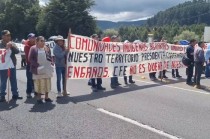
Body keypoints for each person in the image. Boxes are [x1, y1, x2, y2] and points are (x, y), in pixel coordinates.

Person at [29, 36, 53, 104]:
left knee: (47, 83)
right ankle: (39, 98)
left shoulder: (47, 48)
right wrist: (37, 65)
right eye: (41, 41)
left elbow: (50, 57)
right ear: (37, 42)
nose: (43, 42)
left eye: (44, 41)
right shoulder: (33, 48)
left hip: (46, 69)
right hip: (38, 69)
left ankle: (46, 97)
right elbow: (30, 59)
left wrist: (51, 62)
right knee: (38, 84)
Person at [0, 30, 22, 102]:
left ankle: (15, 94)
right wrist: (6, 48)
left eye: (9, 35)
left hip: (12, 64)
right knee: (3, 81)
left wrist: (12, 46)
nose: (9, 37)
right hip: (3, 66)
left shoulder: (12, 43)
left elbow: (17, 51)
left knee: (13, 80)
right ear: (3, 36)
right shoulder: (0, 44)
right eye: (7, 35)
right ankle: (2, 95)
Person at [24, 33, 36, 98]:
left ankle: (36, 91)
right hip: (29, 64)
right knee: (29, 79)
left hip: (36, 65)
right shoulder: (27, 46)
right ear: (29, 38)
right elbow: (29, 56)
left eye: (34, 37)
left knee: (36, 78)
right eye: (31, 37)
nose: (33, 39)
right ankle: (28, 92)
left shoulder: (37, 44)